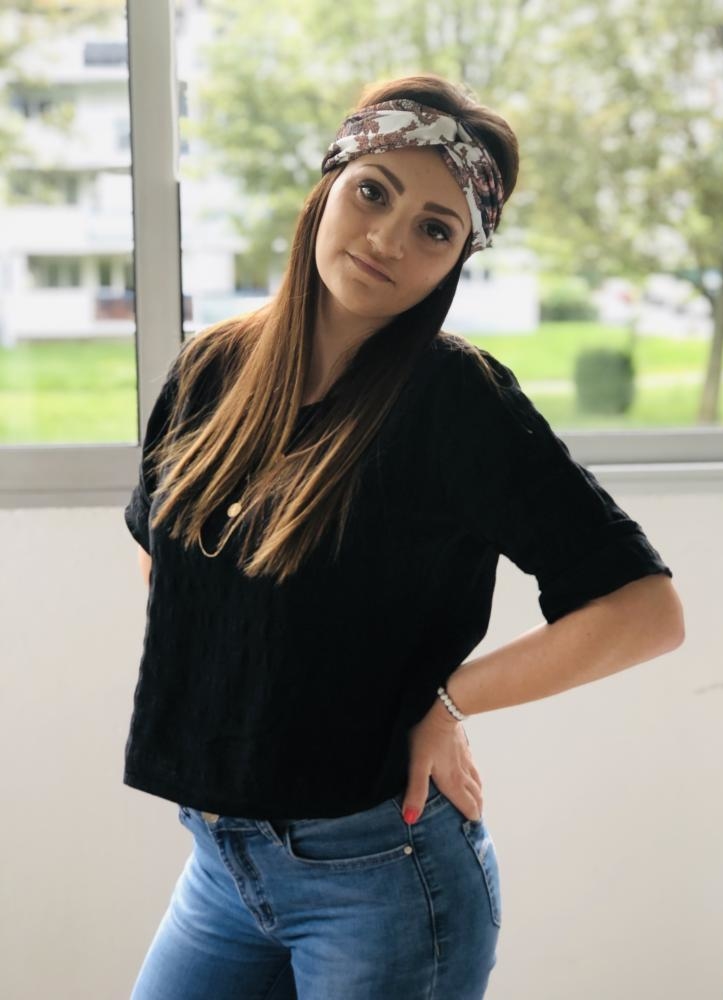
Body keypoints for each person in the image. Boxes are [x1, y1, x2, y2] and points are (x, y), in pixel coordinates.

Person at [123, 73, 684, 1000]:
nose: (388, 238)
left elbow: (645, 611)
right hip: (221, 865)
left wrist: (446, 703)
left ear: (457, 259)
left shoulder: (456, 401)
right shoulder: (211, 370)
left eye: (435, 228)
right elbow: (165, 557)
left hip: (380, 878)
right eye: (373, 191)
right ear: (330, 183)